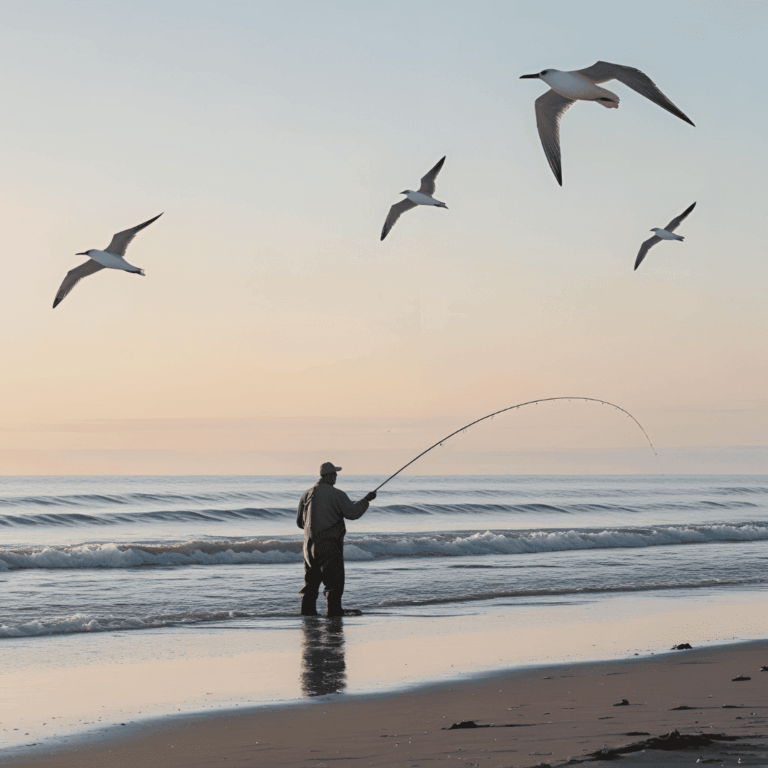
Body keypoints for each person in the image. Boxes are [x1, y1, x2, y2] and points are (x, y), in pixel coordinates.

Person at [297, 462, 376, 617]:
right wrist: (367, 500)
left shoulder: (307, 494)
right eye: (335, 474)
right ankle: (333, 613)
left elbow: (300, 523)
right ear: (331, 476)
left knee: (310, 583)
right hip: (330, 545)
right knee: (333, 582)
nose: (336, 477)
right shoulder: (337, 494)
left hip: (308, 546)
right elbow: (353, 513)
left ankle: (307, 614)